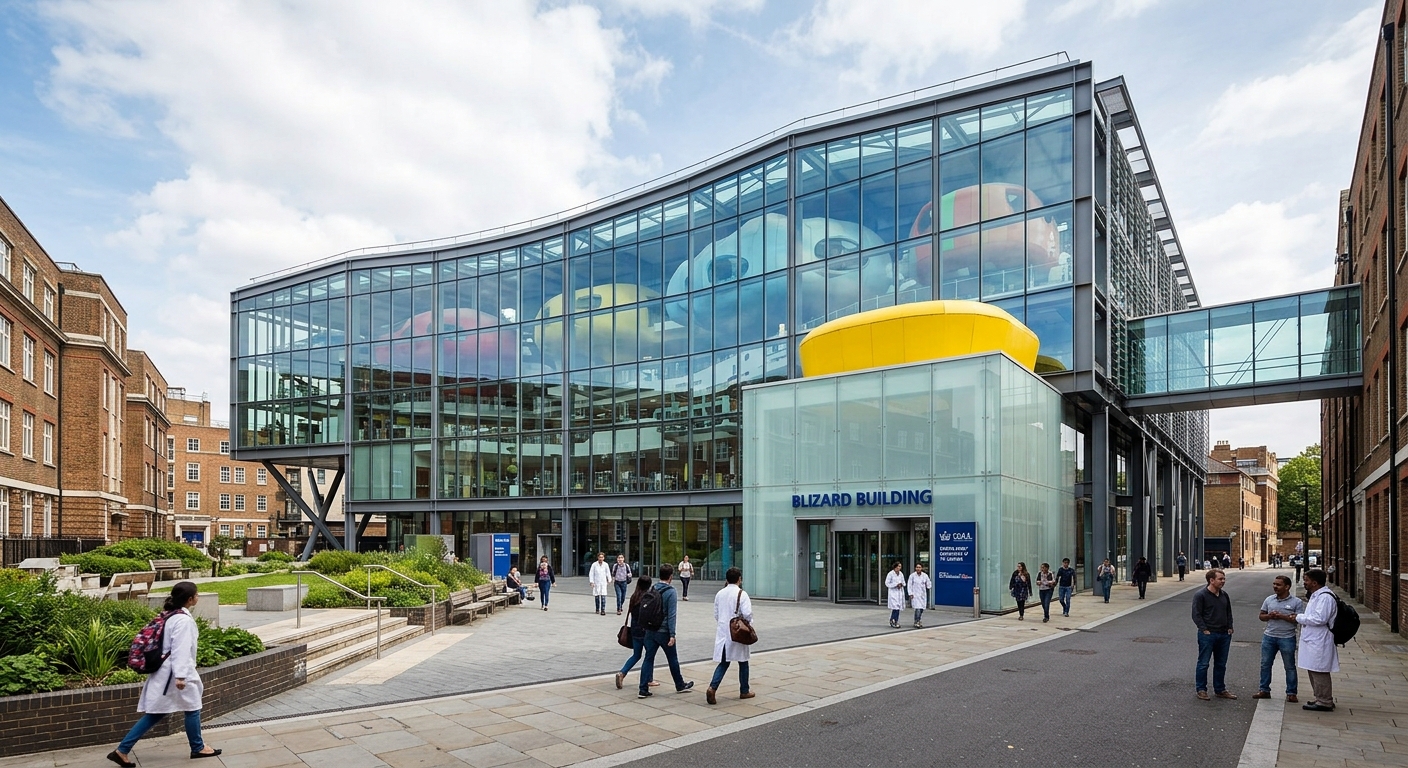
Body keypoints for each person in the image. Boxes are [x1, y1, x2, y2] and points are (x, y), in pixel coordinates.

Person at [108, 582, 221, 767]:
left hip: (166, 672)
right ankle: (197, 747)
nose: (198, 597)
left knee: (162, 712)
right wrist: (181, 676)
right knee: (190, 707)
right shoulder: (183, 620)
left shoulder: (171, 615)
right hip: (174, 673)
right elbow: (181, 649)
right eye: (197, 594)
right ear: (190, 599)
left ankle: (123, 750)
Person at [638, 563, 694, 698]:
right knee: (672, 658)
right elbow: (672, 615)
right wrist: (672, 634)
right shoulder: (671, 592)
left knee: (648, 658)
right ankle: (679, 684)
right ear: (671, 576)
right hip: (663, 631)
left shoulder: (653, 588)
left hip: (650, 630)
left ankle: (643, 689)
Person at [706, 567, 754, 704]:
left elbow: (716, 614)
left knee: (724, 662)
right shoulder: (742, 594)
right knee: (743, 662)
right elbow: (747, 613)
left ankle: (712, 687)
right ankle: (744, 690)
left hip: (723, 631)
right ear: (739, 579)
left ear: (727, 579)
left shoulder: (720, 593)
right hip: (738, 632)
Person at [1295, 569, 1339, 711]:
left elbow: (1320, 618)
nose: (1304, 583)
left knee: (1319, 670)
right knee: (1314, 668)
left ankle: (1325, 701)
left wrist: (1297, 617)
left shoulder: (1325, 597)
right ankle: (1320, 697)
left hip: (1320, 639)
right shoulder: (1316, 595)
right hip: (1314, 639)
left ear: (1314, 582)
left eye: (1306, 580)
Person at [1254, 574, 1302, 702]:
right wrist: (1269, 616)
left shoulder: (1296, 602)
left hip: (1287, 638)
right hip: (1269, 637)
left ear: (1287, 587)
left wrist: (1282, 616)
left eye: (1278, 584)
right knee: (1265, 664)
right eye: (1274, 584)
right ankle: (1264, 690)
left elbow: (1298, 620)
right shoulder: (1269, 600)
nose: (1275, 586)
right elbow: (1261, 616)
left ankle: (1291, 693)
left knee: (1289, 666)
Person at [1192, 568, 1236, 701]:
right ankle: (1201, 689)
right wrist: (1204, 629)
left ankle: (1220, 689)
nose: (1223, 581)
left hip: (1224, 635)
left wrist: (1230, 626)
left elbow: (1228, 612)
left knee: (1221, 663)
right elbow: (1196, 614)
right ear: (1211, 580)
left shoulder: (1224, 595)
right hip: (1208, 634)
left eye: (1224, 579)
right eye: (1220, 579)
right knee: (1204, 663)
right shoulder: (1201, 595)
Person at [615, 576, 660, 691]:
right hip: (645, 630)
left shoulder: (634, 597)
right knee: (649, 655)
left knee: (636, 655)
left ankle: (622, 672)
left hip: (634, 630)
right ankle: (648, 679)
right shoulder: (647, 598)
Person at [907, 563, 932, 628]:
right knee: (917, 608)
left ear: (922, 568)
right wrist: (910, 593)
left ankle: (918, 619)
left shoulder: (925, 576)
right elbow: (909, 585)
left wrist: (928, 586)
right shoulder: (912, 576)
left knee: (921, 609)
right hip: (915, 594)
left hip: (922, 595)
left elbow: (929, 583)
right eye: (917, 567)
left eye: (919, 567)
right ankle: (917, 621)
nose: (918, 568)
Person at [885, 562, 907, 628]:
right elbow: (887, 583)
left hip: (899, 592)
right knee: (895, 608)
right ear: (895, 567)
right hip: (893, 593)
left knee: (898, 608)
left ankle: (894, 620)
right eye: (898, 566)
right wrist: (895, 585)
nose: (899, 568)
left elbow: (904, 582)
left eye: (900, 566)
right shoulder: (890, 574)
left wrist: (901, 584)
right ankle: (893, 620)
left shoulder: (901, 574)